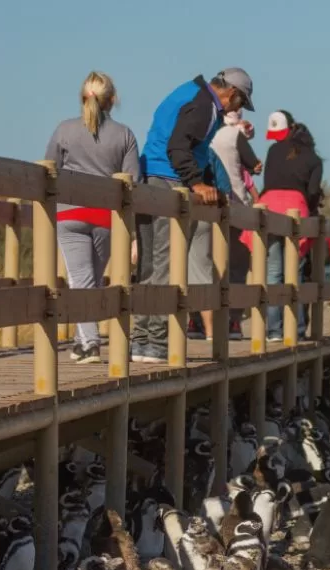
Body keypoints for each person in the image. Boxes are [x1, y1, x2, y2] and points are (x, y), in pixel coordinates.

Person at [132, 68, 255, 363]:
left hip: (149, 178)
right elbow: (179, 147)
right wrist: (196, 183)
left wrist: (206, 180)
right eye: (240, 103)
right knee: (167, 262)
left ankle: (140, 340)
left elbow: (187, 148)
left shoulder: (189, 92)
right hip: (169, 182)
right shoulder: (205, 104)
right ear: (232, 94)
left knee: (149, 264)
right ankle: (157, 343)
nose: (236, 109)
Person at [44, 71, 141, 364]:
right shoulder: (124, 134)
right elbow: (132, 182)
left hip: (70, 212)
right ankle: (81, 341)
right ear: (112, 100)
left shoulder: (64, 130)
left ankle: (89, 344)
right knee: (91, 279)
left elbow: (48, 169)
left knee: (82, 280)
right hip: (106, 217)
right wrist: (134, 233)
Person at [258, 110, 324, 341]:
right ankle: (295, 330)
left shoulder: (274, 150)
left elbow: (268, 181)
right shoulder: (313, 159)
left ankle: (273, 331)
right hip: (296, 208)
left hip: (269, 205)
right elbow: (313, 192)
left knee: (273, 271)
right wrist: (311, 207)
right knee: (294, 273)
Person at [209, 110, 263, 340]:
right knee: (236, 265)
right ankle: (233, 322)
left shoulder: (206, 132)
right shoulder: (233, 135)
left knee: (205, 262)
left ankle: (197, 321)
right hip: (234, 204)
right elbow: (255, 165)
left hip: (206, 205)